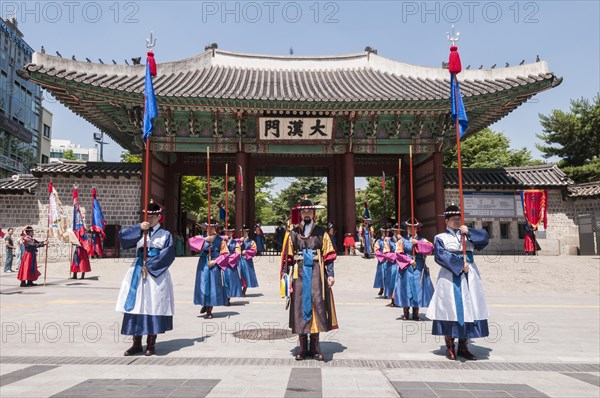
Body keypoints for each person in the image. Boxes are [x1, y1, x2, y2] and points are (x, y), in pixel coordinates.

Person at [426, 205, 490, 361]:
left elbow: (485, 239)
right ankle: (449, 346)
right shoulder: (440, 237)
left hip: (470, 276)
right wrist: (460, 266)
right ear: (446, 221)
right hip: (450, 276)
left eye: (458, 219)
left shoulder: (468, 235)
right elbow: (440, 256)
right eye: (453, 219)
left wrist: (469, 232)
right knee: (451, 308)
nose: (456, 221)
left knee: (470, 307)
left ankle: (463, 346)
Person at [280, 199, 338, 361]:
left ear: (314, 214)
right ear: (300, 214)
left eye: (309, 212)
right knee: (299, 306)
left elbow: (329, 255)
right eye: (304, 212)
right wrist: (285, 278)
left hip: (316, 273)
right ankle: (303, 347)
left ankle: (316, 347)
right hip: (299, 275)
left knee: (317, 304)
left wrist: (331, 274)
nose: (307, 214)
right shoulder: (292, 233)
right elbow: (287, 258)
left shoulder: (321, 232)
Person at [115, 202, 175, 356]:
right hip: (137, 271)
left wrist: (150, 265)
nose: (150, 218)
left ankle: (151, 342)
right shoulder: (141, 231)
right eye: (148, 215)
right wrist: (139, 228)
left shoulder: (165, 235)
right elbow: (122, 237)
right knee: (137, 305)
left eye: (153, 216)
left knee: (153, 304)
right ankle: (136, 342)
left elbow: (168, 255)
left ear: (159, 217)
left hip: (155, 273)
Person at [395, 218, 435, 320]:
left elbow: (431, 248)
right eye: (409, 228)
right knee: (407, 288)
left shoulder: (422, 240)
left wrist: (417, 243)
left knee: (417, 288)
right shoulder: (402, 241)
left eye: (414, 228)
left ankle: (416, 312)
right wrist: (409, 260)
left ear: (417, 229)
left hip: (419, 266)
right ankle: (406, 312)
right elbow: (398, 254)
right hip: (407, 266)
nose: (411, 230)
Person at [192, 222, 228, 319]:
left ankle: (209, 310)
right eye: (208, 227)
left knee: (213, 286)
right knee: (203, 284)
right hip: (203, 263)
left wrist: (216, 261)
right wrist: (204, 240)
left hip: (214, 263)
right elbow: (192, 244)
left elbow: (225, 254)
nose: (210, 229)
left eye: (212, 227)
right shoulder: (201, 237)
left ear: (215, 228)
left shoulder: (221, 240)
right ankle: (205, 303)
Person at [223, 225, 243, 306]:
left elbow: (237, 254)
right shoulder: (222, 241)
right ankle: (223, 298)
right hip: (222, 264)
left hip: (231, 265)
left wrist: (228, 259)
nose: (228, 233)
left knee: (230, 282)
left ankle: (228, 298)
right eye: (227, 232)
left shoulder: (236, 243)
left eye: (230, 232)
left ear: (232, 233)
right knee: (222, 282)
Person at [238, 225, 258, 297]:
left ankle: (244, 290)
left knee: (246, 275)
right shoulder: (239, 241)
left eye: (245, 232)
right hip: (239, 260)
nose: (243, 234)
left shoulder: (251, 242)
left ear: (247, 233)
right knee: (239, 274)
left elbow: (254, 251)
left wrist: (246, 252)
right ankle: (239, 290)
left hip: (246, 260)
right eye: (242, 232)